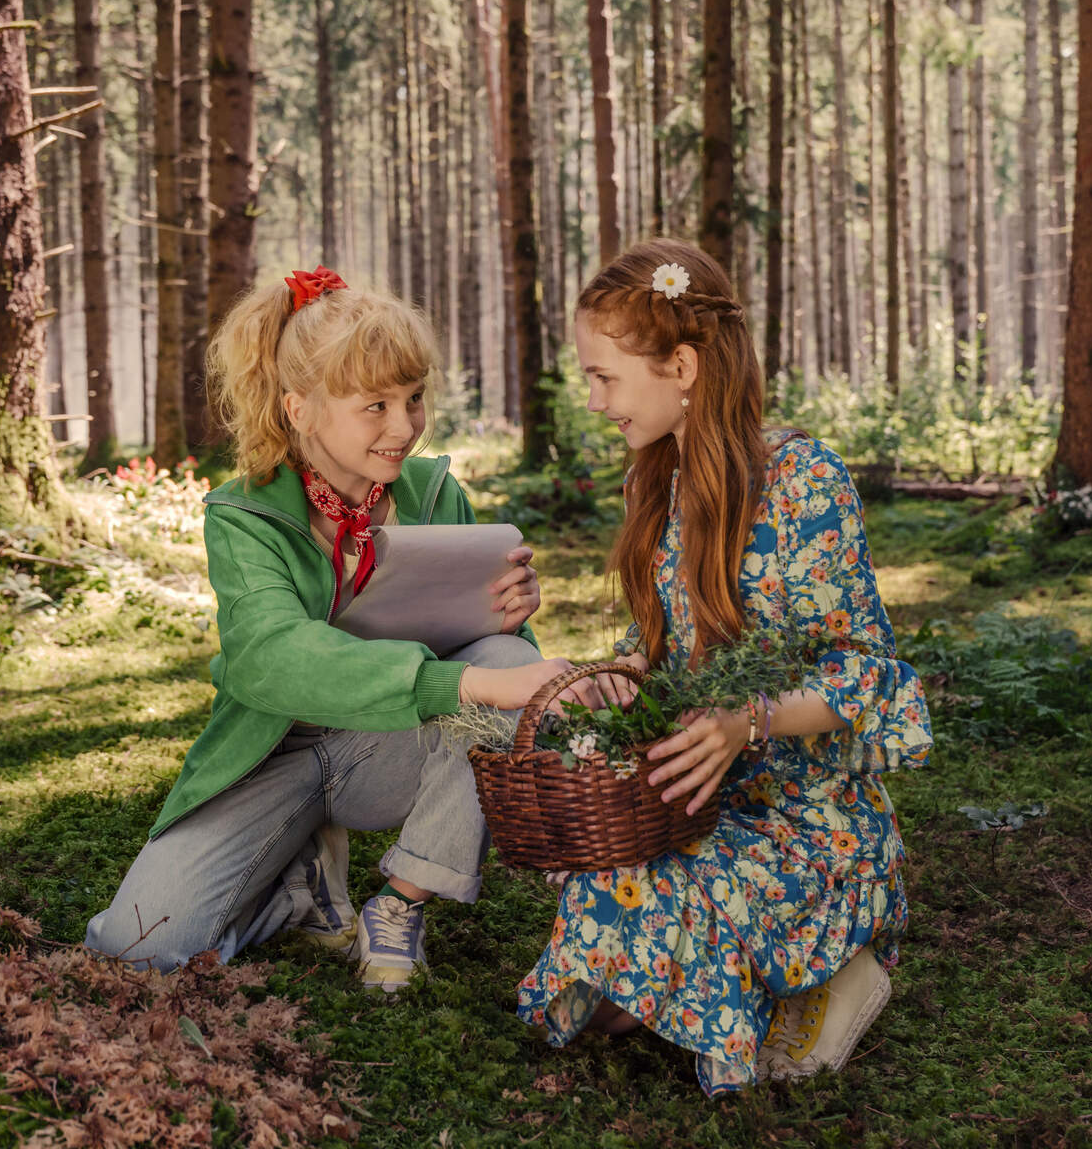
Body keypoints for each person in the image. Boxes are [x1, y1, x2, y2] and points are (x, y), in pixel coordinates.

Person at [515, 240, 933, 1092]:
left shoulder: (803, 480)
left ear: (682, 365)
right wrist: (618, 678)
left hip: (815, 826)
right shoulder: (653, 484)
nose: (594, 402)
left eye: (605, 377)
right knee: (600, 961)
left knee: (636, 914)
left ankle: (835, 973)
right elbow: (677, 654)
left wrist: (749, 723)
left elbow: (872, 677)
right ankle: (731, 981)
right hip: (702, 810)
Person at [86, 266, 574, 991]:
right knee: (134, 951)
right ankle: (297, 890)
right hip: (271, 754)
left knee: (502, 652)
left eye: (413, 400)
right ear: (301, 409)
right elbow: (272, 659)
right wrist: (465, 677)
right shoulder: (245, 514)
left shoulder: (436, 494)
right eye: (374, 405)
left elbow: (503, 674)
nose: (403, 427)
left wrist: (508, 622)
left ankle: (400, 904)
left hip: (391, 750)